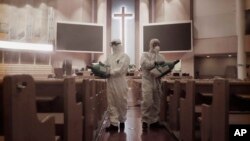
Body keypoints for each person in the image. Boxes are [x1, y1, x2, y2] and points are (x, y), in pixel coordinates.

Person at [105, 39, 130, 131]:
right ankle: (113, 124)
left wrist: (110, 72)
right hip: (111, 81)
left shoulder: (125, 56)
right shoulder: (110, 57)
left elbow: (121, 70)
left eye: (115, 45)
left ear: (119, 45)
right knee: (111, 102)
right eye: (112, 45)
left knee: (121, 102)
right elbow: (105, 66)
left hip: (120, 82)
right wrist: (99, 70)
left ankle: (122, 120)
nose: (113, 47)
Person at [140, 38, 166, 130]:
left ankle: (154, 121)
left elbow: (164, 67)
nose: (156, 45)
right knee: (147, 101)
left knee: (156, 101)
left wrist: (163, 70)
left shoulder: (161, 56)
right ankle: (145, 121)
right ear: (150, 45)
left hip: (157, 81)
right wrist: (155, 62)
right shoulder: (145, 55)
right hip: (147, 80)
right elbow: (145, 65)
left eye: (157, 44)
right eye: (154, 44)